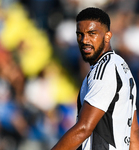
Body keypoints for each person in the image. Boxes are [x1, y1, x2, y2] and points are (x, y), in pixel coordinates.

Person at [51, 7, 139, 150]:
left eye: (92, 33)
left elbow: (84, 129)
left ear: (108, 36)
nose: (85, 40)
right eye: (80, 34)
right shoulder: (122, 67)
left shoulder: (105, 71)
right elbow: (133, 133)